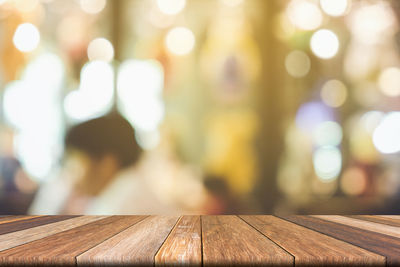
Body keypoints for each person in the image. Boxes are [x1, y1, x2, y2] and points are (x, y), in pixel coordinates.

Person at [29, 112, 179, 215]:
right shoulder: (127, 189)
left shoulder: (119, 208)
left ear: (107, 165)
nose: (73, 176)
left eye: (77, 163)